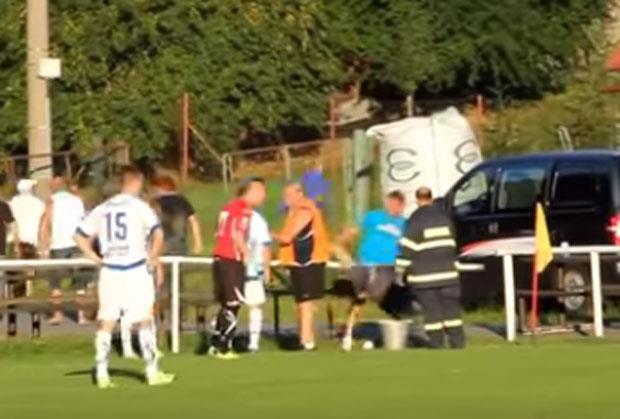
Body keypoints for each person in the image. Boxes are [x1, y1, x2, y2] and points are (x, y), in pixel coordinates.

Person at [73, 165, 174, 388]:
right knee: (144, 318)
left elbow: (79, 236)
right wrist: (153, 256)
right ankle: (152, 371)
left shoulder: (103, 208)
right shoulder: (139, 206)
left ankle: (101, 373)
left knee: (107, 320)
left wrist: (93, 256)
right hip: (135, 269)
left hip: (110, 270)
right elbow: (158, 232)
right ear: (135, 182)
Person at [335, 191, 406, 352]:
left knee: (377, 296)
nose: (391, 207)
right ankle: (348, 333)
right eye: (389, 203)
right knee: (357, 297)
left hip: (386, 265)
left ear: (401, 206)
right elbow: (351, 231)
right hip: (365, 263)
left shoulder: (403, 224)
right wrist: (341, 247)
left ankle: (377, 335)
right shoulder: (374, 217)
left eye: (395, 204)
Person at [396, 187, 465, 349]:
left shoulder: (415, 220)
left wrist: (399, 272)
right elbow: (453, 243)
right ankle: (458, 342)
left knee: (432, 312)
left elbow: (407, 249)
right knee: (452, 311)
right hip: (449, 275)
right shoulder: (445, 218)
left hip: (424, 277)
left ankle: (436, 343)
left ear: (417, 200)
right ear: (431, 198)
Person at [210, 177, 267, 359]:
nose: (263, 196)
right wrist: (246, 253)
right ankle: (224, 347)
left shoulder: (228, 208)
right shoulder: (243, 210)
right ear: (250, 191)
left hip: (219, 258)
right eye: (261, 191)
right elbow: (237, 233)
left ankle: (216, 343)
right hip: (231, 259)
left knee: (226, 302)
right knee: (234, 303)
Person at [273, 182, 330, 351]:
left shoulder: (305, 210)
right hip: (297, 262)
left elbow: (287, 237)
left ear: (299, 194)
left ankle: (307, 341)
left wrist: (266, 233)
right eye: (285, 196)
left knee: (306, 302)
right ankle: (305, 337)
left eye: (289, 195)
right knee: (301, 302)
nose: (286, 199)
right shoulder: (292, 212)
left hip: (309, 261)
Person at [39, 176, 87, 325]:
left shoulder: (51, 201)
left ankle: (58, 314)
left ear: (53, 187)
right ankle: (81, 315)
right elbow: (84, 221)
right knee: (80, 281)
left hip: (58, 244)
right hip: (76, 243)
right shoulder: (77, 200)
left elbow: (47, 223)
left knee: (55, 282)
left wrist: (43, 248)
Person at [152, 175, 203, 256]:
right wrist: (198, 242)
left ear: (159, 188)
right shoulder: (182, 200)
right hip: (180, 246)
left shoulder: (155, 202)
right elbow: (194, 221)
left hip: (160, 246)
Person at [244, 210, 271, 353]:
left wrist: (266, 268)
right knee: (229, 306)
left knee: (254, 306)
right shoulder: (231, 214)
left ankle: (253, 343)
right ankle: (223, 339)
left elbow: (265, 246)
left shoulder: (258, 221)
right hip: (233, 268)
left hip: (252, 270)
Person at [9, 179, 45, 254]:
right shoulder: (38, 202)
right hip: (33, 241)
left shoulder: (12, 203)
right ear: (30, 189)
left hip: (18, 241)